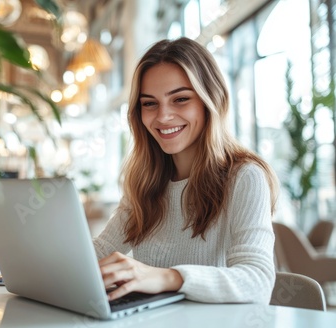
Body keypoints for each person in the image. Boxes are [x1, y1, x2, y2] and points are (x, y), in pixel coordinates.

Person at [93, 37, 279, 304]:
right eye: (149, 103)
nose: (163, 116)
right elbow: (100, 251)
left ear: (210, 100)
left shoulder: (244, 177)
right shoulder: (145, 182)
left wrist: (167, 278)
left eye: (180, 99)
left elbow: (257, 280)